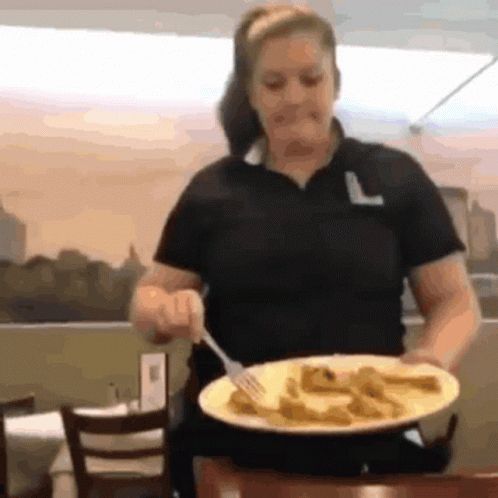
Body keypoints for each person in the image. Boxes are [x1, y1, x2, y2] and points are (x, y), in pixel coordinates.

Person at [129, 4, 482, 497]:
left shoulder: (394, 176)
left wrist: (434, 357)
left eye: (311, 79)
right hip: (236, 455)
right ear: (251, 93)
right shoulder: (213, 190)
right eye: (274, 84)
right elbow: (146, 303)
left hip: (371, 444)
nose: (294, 97)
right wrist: (164, 310)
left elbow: (454, 300)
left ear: (336, 82)